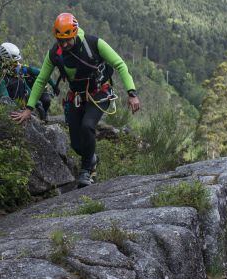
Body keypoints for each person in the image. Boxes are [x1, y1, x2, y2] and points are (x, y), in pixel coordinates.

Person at [11, 13, 140, 188]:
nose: (64, 45)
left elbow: (120, 64)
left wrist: (131, 93)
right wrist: (29, 108)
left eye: (67, 40)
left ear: (74, 33)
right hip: (76, 97)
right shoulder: (54, 54)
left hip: (99, 93)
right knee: (77, 145)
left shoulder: (94, 43)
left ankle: (87, 171)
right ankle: (91, 158)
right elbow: (41, 80)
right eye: (60, 41)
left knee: (88, 126)